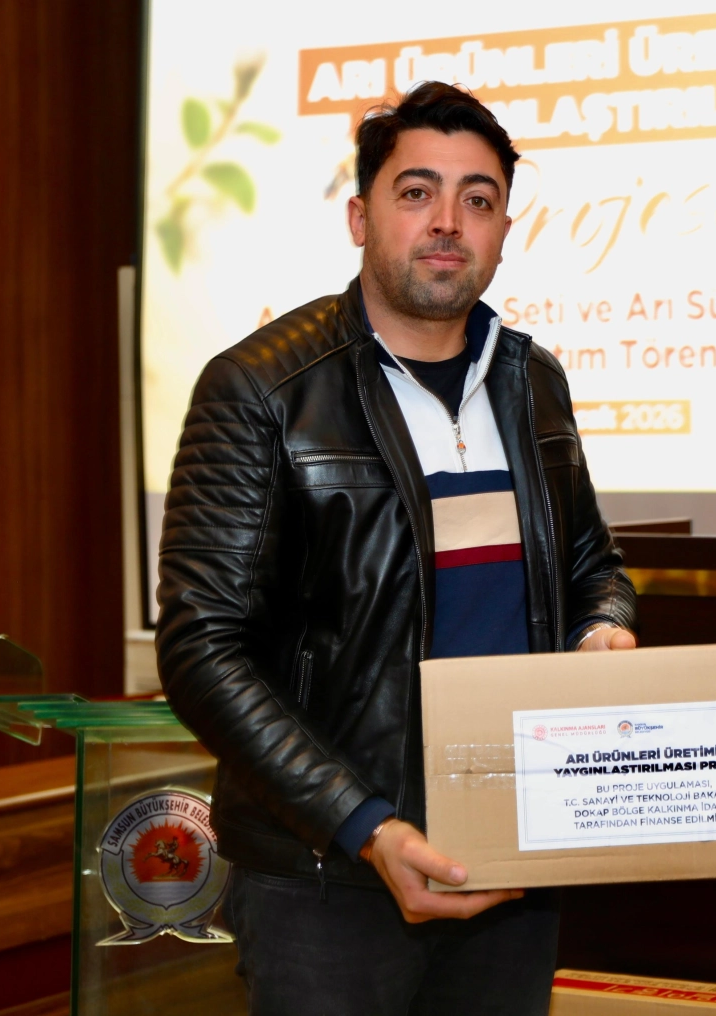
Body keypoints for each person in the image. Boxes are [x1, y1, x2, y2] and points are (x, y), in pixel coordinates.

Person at [156, 81, 637, 1016]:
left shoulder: (532, 380)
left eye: (478, 199)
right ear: (359, 217)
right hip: (326, 874)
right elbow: (201, 647)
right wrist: (365, 825)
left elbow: (593, 568)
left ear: (504, 230)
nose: (447, 221)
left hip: (510, 851)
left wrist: (602, 628)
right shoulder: (261, 390)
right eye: (416, 192)